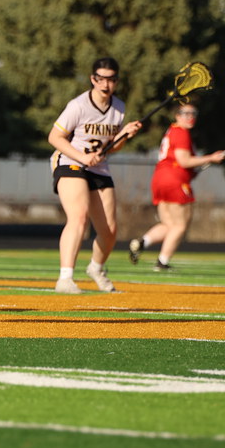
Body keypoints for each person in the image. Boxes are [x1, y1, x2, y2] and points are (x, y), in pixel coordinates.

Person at [47, 57, 141, 294]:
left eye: (111, 80)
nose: (105, 85)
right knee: (79, 217)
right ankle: (65, 278)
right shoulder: (78, 106)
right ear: (93, 79)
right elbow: (54, 137)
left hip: (98, 168)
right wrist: (82, 157)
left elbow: (111, 147)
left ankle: (96, 268)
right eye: (101, 79)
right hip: (70, 162)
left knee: (109, 231)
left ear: (117, 81)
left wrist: (124, 135)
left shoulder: (118, 107)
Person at [127, 105, 225, 271]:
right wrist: (210, 158)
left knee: (168, 225)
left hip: (159, 179)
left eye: (193, 113)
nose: (190, 117)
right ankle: (162, 262)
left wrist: (197, 167)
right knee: (180, 225)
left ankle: (143, 242)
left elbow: (183, 162)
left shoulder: (172, 131)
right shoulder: (181, 132)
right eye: (185, 113)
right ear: (177, 116)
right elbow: (184, 161)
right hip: (175, 181)